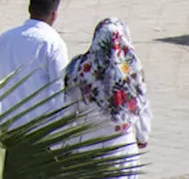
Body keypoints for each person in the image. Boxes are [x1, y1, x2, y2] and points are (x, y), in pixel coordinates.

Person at [63, 18, 151, 177]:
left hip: (88, 142)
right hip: (122, 145)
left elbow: (68, 107)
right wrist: (142, 136)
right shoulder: (131, 70)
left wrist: (65, 142)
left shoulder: (79, 68)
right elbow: (142, 107)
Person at [0, 0, 69, 128]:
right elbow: (59, 86)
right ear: (54, 15)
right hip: (42, 127)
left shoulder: (5, 39)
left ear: (29, 9)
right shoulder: (54, 43)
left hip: (9, 125)